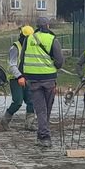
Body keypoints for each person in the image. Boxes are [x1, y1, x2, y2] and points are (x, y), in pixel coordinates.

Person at [21, 15, 66, 148]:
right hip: (48, 79)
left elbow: (22, 58)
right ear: (47, 26)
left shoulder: (28, 39)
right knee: (46, 108)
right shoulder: (52, 39)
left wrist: (22, 75)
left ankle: (41, 134)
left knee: (40, 109)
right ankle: (45, 136)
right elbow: (59, 62)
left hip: (33, 79)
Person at [0, 26, 36, 131]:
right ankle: (5, 121)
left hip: (28, 78)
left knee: (31, 101)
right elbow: (12, 65)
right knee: (17, 101)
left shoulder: (31, 47)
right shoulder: (15, 48)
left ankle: (29, 124)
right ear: (22, 37)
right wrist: (19, 76)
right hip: (16, 79)